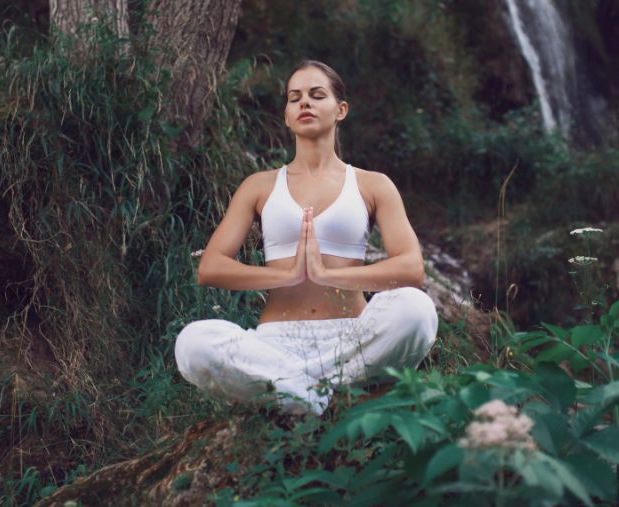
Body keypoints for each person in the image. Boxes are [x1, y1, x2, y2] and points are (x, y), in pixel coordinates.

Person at [175, 60, 438, 415]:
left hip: (352, 338)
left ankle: (297, 393)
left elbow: (411, 268)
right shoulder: (260, 185)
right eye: (294, 97)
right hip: (274, 346)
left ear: (340, 109)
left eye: (317, 95)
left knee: (416, 310)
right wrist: (285, 275)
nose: (304, 104)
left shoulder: (372, 184)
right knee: (192, 343)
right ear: (286, 115)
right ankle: (318, 391)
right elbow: (210, 267)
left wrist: (329, 275)